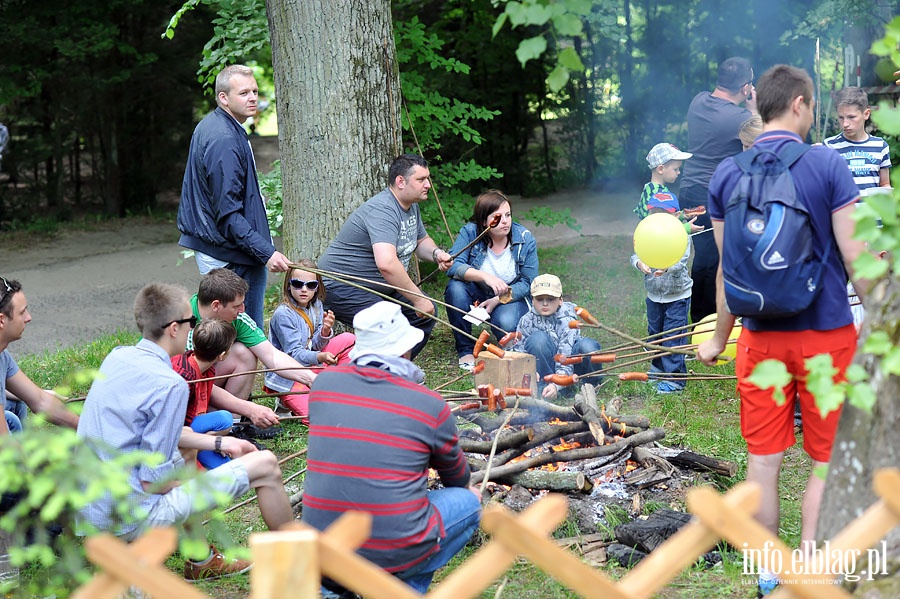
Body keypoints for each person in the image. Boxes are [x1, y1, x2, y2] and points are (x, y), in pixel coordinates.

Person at [697, 65, 868, 597]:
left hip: (760, 340)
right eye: (813, 106)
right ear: (798, 103)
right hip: (826, 338)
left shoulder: (725, 174)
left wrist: (718, 340)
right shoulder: (828, 163)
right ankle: (814, 569)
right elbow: (858, 260)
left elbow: (730, 271)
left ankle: (769, 574)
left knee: (764, 461)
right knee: (825, 460)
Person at [77, 283, 294, 581]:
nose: (195, 329)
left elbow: (168, 435)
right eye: (192, 322)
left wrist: (221, 444)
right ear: (174, 328)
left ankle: (200, 559)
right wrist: (217, 481)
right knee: (265, 465)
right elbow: (154, 482)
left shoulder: (119, 356)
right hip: (129, 514)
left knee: (187, 457)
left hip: (90, 509)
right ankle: (300, 559)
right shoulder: (171, 384)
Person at [302, 301, 481, 596]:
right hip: (391, 549)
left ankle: (340, 589)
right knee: (469, 501)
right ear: (405, 350)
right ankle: (401, 590)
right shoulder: (430, 405)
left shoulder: (323, 386)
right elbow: (458, 480)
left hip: (324, 549)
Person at [177, 64, 292, 330]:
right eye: (243, 93)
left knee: (229, 336)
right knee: (244, 335)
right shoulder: (223, 139)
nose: (253, 97)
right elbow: (228, 214)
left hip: (230, 250)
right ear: (223, 97)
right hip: (231, 255)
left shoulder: (223, 127)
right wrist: (266, 252)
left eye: (254, 91)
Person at [318, 154, 453, 359]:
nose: (428, 185)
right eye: (421, 179)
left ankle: (395, 374)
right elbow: (387, 264)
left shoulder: (410, 207)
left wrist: (436, 254)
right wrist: (418, 299)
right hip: (341, 285)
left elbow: (419, 241)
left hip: (380, 287)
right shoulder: (383, 209)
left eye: (428, 179)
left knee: (425, 315)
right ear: (400, 181)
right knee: (391, 322)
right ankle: (381, 377)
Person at [680, 56, 757, 323]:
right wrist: (755, 110)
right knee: (713, 259)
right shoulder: (741, 117)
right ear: (746, 87)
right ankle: (705, 319)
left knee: (705, 255)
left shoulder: (698, 101)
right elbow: (761, 141)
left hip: (690, 188)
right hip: (713, 194)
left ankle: (713, 314)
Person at [188, 268, 317, 402]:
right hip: (185, 387)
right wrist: (249, 409)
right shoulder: (183, 323)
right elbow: (185, 378)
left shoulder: (238, 319)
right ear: (216, 305)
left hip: (208, 382)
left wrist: (311, 378)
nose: (242, 310)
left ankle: (233, 420)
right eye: (236, 306)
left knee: (244, 353)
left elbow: (272, 356)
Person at [444, 190, 538, 371]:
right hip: (477, 289)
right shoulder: (471, 233)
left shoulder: (525, 239)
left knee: (506, 322)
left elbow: (528, 282)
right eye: (498, 217)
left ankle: (506, 337)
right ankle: (465, 349)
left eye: (508, 215)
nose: (505, 221)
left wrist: (498, 299)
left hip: (508, 295)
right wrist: (485, 277)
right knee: (455, 289)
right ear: (483, 221)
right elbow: (454, 266)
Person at [632, 143, 696, 394]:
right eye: (655, 214)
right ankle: (658, 368)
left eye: (665, 215)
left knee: (673, 334)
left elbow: (681, 260)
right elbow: (636, 255)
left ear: (674, 216)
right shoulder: (647, 234)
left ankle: (675, 377)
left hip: (677, 295)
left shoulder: (679, 234)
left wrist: (667, 267)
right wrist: (640, 263)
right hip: (654, 294)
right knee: (655, 332)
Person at [264, 260, 356, 420]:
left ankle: (337, 388)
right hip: (289, 375)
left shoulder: (317, 305)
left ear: (317, 287)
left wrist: (325, 332)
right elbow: (293, 355)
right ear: (288, 285)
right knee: (321, 418)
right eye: (298, 284)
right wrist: (320, 357)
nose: (304, 290)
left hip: (312, 364)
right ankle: (287, 400)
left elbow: (315, 345)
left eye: (311, 285)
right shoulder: (283, 314)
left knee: (350, 339)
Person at [0, 275, 79, 435]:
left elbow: (40, 401)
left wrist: (88, 428)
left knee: (15, 405)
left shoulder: (3, 356)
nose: (29, 318)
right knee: (11, 422)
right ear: (1, 320)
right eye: (22, 313)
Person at [511, 274, 602, 401]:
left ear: (560, 300)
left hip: (572, 364)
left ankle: (590, 384)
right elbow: (519, 351)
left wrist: (557, 384)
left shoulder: (568, 321)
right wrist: (528, 370)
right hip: (545, 368)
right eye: (539, 299)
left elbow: (566, 357)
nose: (545, 303)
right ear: (532, 300)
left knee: (588, 347)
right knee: (538, 340)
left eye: (550, 299)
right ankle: (543, 385)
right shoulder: (526, 320)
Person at [172, 318, 244, 470]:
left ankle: (202, 447)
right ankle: (193, 450)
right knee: (225, 419)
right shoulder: (185, 378)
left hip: (193, 425)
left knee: (228, 470)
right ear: (222, 355)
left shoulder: (207, 370)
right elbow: (174, 423)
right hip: (179, 432)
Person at [823, 86, 891, 191]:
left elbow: (885, 185)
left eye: (851, 117)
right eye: (841, 117)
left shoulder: (880, 146)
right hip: (842, 207)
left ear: (866, 114)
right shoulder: (829, 146)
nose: (845, 124)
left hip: (870, 207)